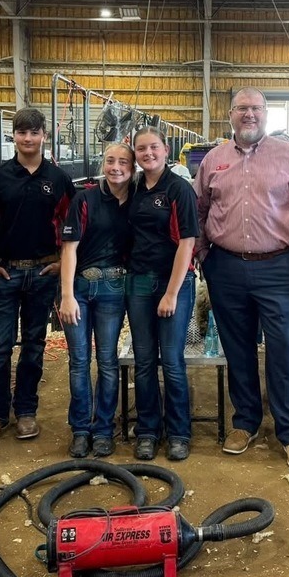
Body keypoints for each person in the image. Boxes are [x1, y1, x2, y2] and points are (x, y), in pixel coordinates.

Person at [193, 87, 289, 472]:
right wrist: (202, 253)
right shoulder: (214, 159)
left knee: (283, 349)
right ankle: (245, 422)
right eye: (242, 108)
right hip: (225, 267)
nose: (250, 115)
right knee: (238, 348)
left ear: (267, 114)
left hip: (279, 267)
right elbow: (198, 207)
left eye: (257, 108)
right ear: (230, 114)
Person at [0, 108, 76, 444]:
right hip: (4, 271)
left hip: (43, 272)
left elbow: (70, 225)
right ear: (13, 136)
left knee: (34, 345)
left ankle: (26, 411)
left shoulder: (59, 179)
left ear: (44, 135)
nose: (28, 138)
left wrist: (63, 261)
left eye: (34, 132)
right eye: (21, 132)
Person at [58, 143, 134, 459]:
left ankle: (103, 429)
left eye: (122, 162)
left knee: (106, 360)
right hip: (80, 288)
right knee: (78, 361)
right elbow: (70, 249)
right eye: (109, 160)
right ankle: (80, 429)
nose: (115, 167)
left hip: (114, 288)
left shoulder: (137, 201)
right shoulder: (85, 199)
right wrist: (65, 296)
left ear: (133, 167)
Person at [127, 126, 199, 461]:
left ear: (166, 150)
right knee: (143, 361)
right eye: (141, 149)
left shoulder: (179, 189)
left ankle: (179, 432)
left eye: (153, 147)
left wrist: (171, 293)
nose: (148, 154)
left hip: (174, 283)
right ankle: (147, 430)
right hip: (139, 282)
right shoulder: (134, 187)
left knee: (171, 361)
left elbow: (187, 243)